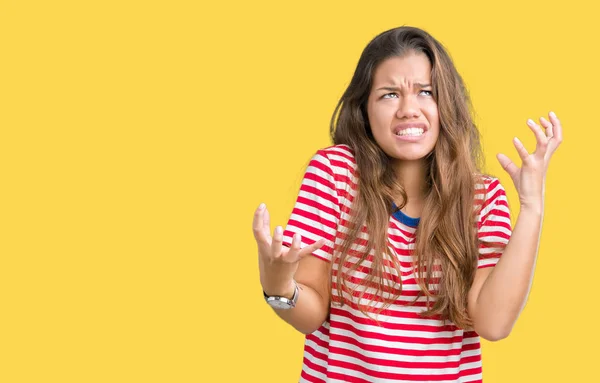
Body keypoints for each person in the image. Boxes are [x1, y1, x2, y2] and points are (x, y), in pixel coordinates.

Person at [252, 26, 562, 383]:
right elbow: (311, 314)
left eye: (425, 92)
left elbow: (493, 324)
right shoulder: (335, 173)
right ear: (364, 109)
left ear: (446, 104)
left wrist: (532, 206)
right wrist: (279, 286)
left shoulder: (482, 198)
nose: (408, 110)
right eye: (389, 95)